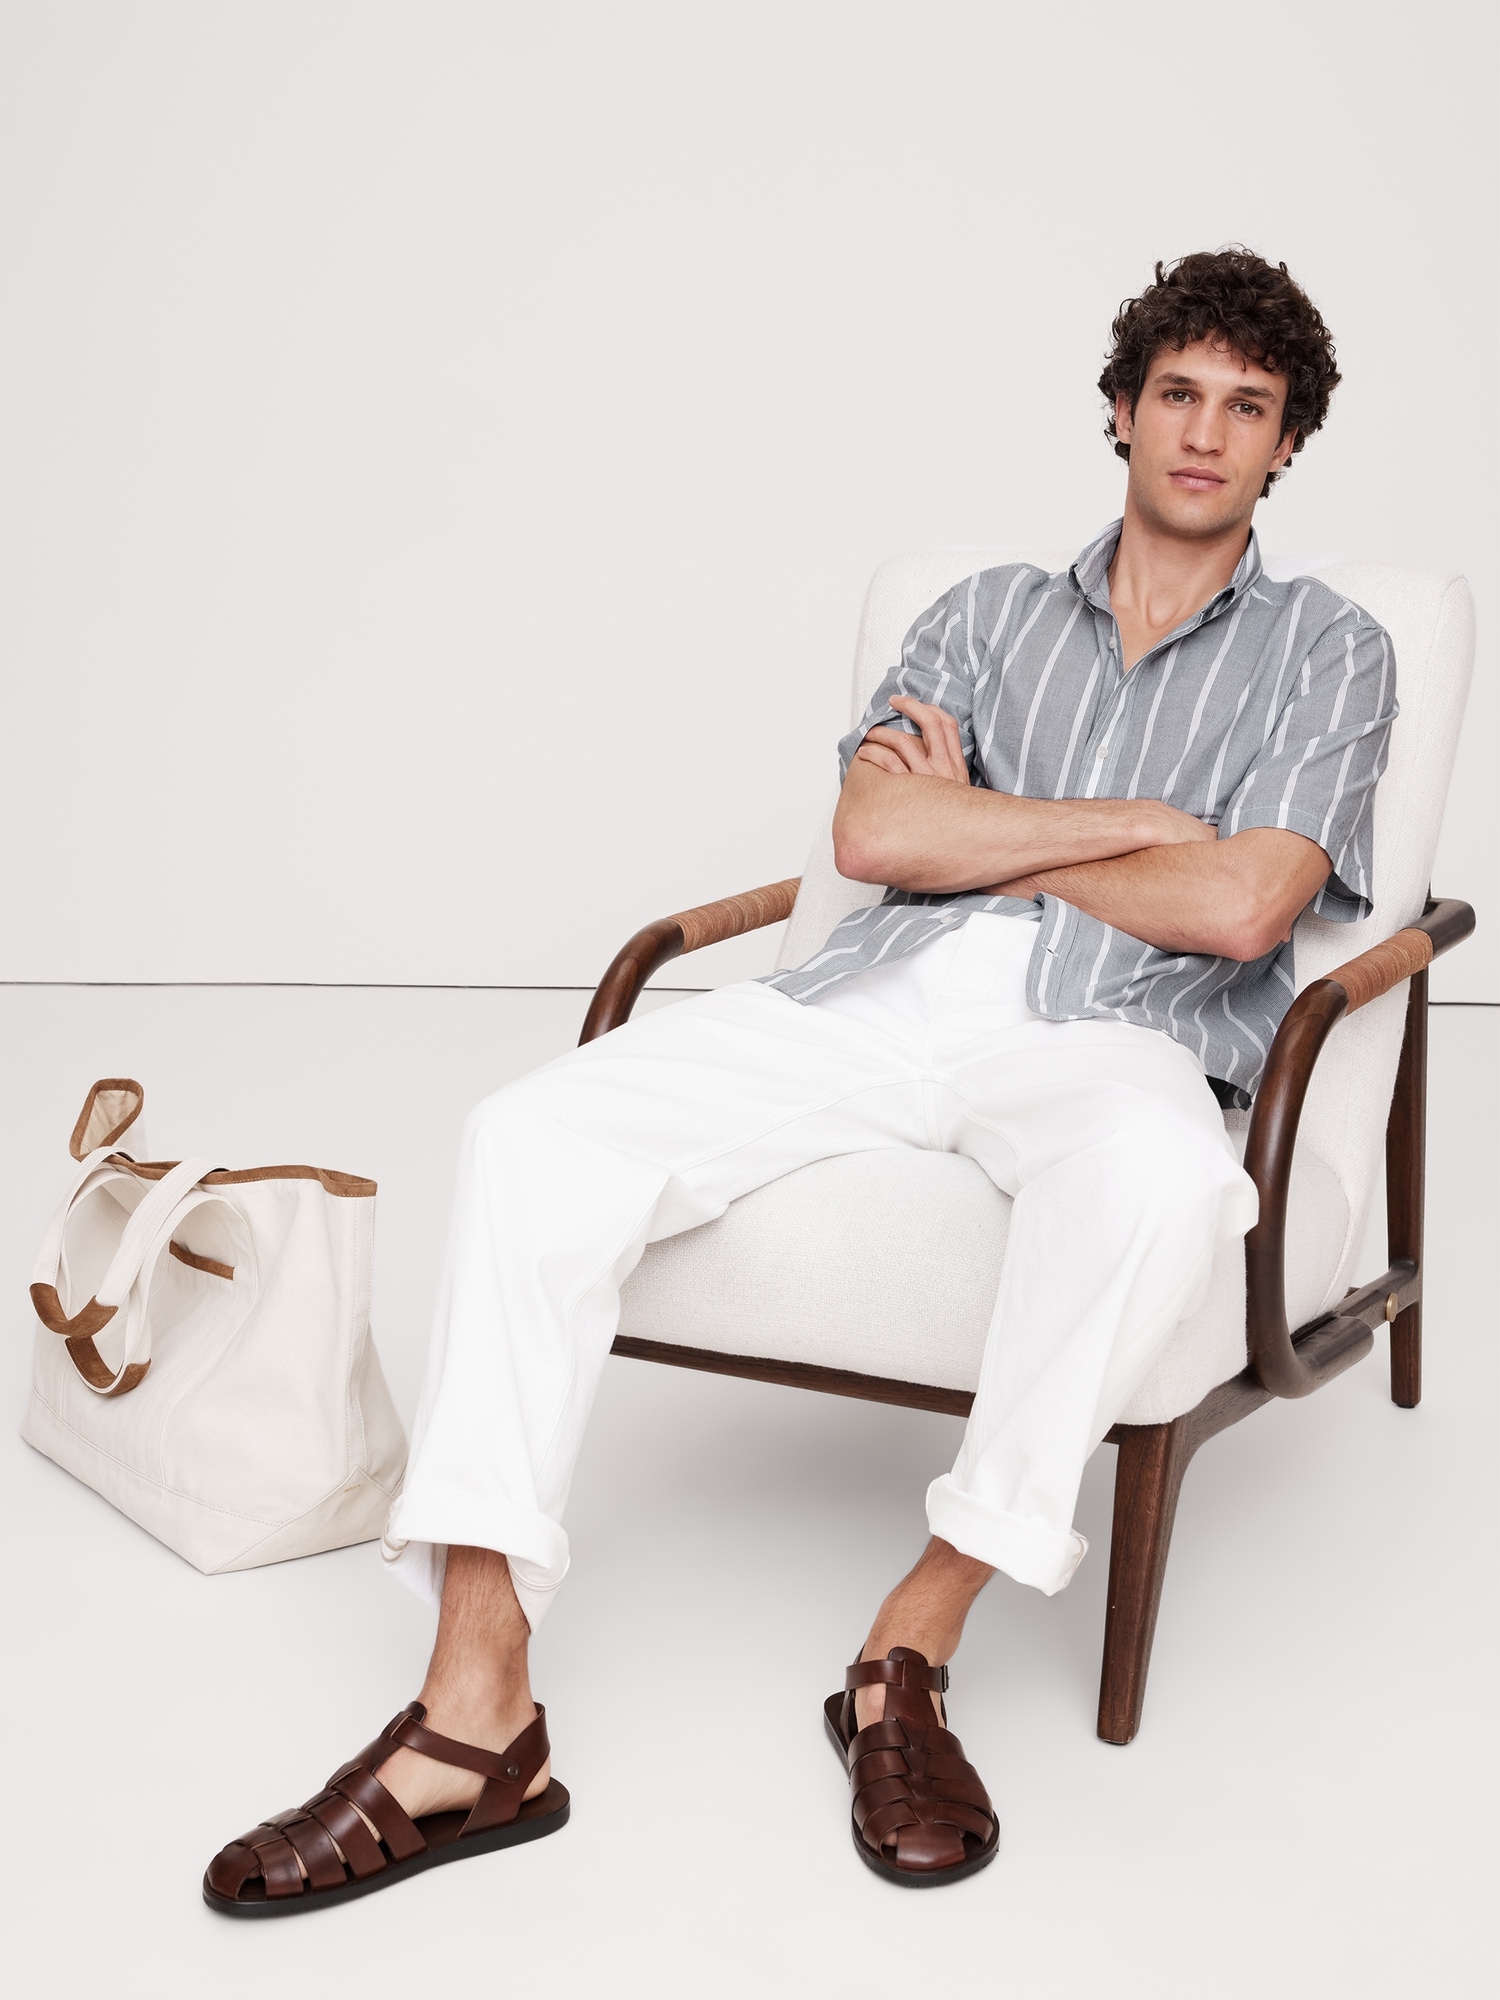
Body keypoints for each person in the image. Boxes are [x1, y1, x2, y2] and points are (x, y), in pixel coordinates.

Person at [204, 247, 1394, 1910]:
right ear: (1120, 413)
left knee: (1161, 1185)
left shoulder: (1333, 651)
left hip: (1119, 1035)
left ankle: (911, 1644)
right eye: (1177, 394)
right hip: (882, 996)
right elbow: (873, 835)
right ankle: (476, 1708)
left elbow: (1249, 906)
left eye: (1246, 408)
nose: (1205, 433)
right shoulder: (982, 612)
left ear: (1287, 444)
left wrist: (989, 831)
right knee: (532, 1133)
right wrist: (1136, 828)